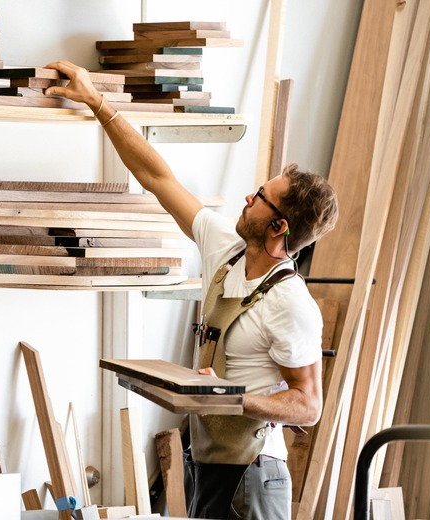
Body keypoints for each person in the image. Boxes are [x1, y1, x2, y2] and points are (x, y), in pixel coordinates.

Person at [44, 60, 339, 519]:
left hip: (253, 476)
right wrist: (98, 103)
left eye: (260, 197)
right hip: (208, 465)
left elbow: (308, 404)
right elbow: (157, 178)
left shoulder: (290, 302)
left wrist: (231, 398)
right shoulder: (226, 249)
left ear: (278, 226)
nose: (248, 198)